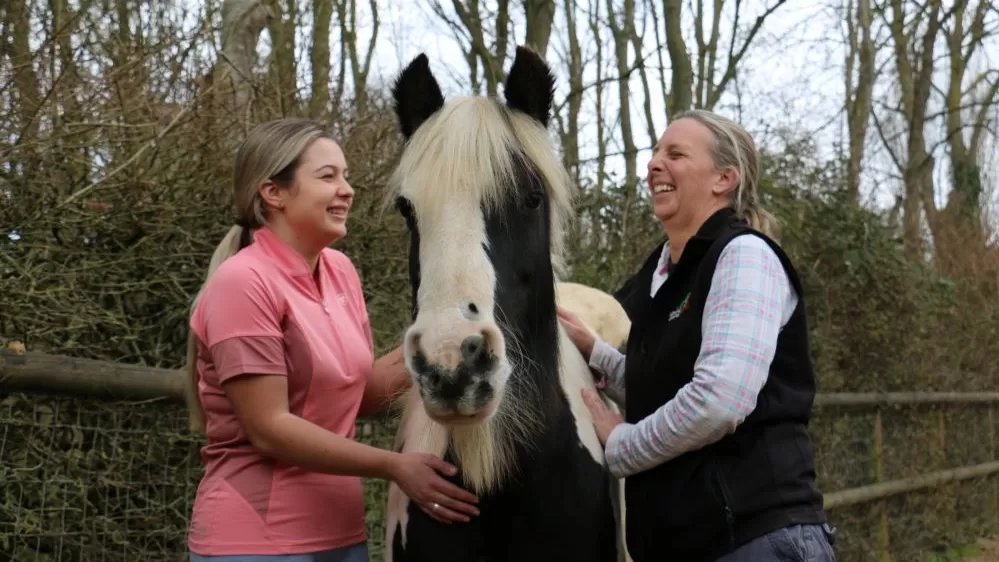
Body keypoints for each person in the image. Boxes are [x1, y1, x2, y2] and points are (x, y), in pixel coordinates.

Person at [184, 117, 479, 562]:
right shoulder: (242, 283)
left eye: (346, 176)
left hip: (341, 538)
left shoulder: (341, 272)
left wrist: (442, 338)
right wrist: (394, 466)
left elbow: (357, 394)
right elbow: (269, 428)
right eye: (328, 176)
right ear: (273, 193)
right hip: (254, 543)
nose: (347, 189)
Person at [558, 109, 836, 562]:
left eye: (675, 153)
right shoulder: (661, 276)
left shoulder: (744, 256)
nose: (653, 164)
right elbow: (668, 387)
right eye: (653, 153)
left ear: (724, 178)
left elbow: (718, 401)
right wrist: (598, 354)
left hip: (753, 540)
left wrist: (622, 445)